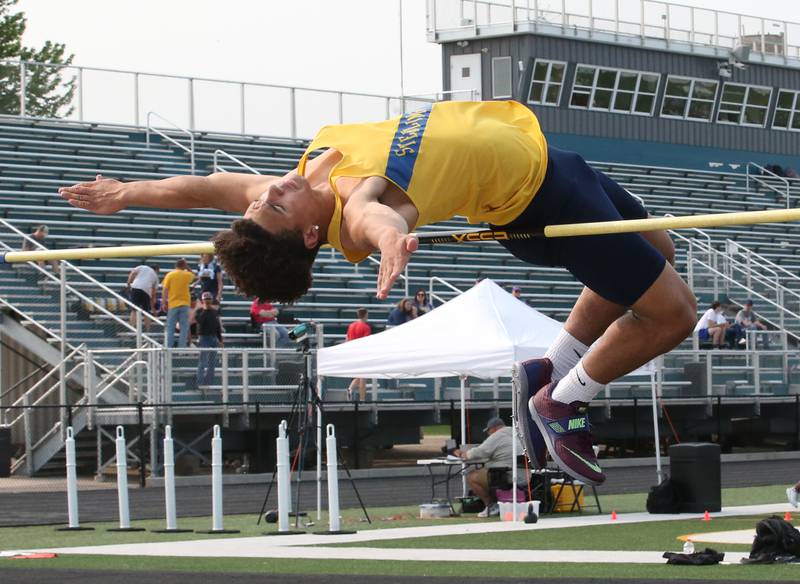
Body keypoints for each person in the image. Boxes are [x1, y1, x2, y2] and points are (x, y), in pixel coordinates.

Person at [58, 101, 696, 485]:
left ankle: (548, 369)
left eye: (263, 198)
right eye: (272, 207)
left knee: (660, 253)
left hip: (554, 164)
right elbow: (377, 219)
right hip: (541, 200)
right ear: (310, 235)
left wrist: (127, 193)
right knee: (675, 315)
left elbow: (203, 185)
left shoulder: (299, 181)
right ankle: (564, 400)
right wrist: (393, 240)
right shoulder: (351, 210)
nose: (268, 191)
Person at [453, 417, 522, 518]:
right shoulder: (516, 432)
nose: (488, 434)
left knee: (472, 477)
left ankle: (491, 505)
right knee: (486, 473)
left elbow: (478, 452)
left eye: (488, 431)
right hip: (525, 474)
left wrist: (462, 454)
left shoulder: (498, 435)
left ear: (493, 429)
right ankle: (498, 502)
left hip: (506, 475)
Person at [161, 258, 196, 348]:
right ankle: (181, 349)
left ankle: (169, 347)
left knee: (170, 327)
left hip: (173, 303)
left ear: (175, 266)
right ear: (183, 266)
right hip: (184, 304)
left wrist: (164, 302)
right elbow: (195, 276)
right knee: (184, 328)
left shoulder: (170, 275)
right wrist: (187, 267)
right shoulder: (186, 274)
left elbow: (165, 290)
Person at [194, 291, 224, 394]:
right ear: (202, 300)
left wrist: (220, 339)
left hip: (213, 338)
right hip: (204, 338)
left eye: (209, 299)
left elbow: (217, 327)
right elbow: (200, 321)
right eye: (205, 299)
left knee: (212, 363)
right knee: (203, 361)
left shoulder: (215, 312)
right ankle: (200, 383)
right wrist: (205, 309)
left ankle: (208, 383)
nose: (207, 301)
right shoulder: (199, 311)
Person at [345, 308, 372, 401]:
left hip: (352, 352)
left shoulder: (351, 325)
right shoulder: (366, 327)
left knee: (360, 375)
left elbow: (347, 339)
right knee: (363, 377)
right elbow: (365, 342)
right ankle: (362, 399)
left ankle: (351, 389)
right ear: (365, 315)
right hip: (361, 353)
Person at [125, 263, 159, 330]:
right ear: (157, 270)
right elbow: (154, 293)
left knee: (134, 310)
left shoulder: (142, 267)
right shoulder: (155, 277)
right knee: (146, 312)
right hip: (146, 291)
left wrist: (128, 283)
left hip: (136, 288)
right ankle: (148, 330)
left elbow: (132, 273)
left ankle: (131, 328)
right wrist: (152, 307)